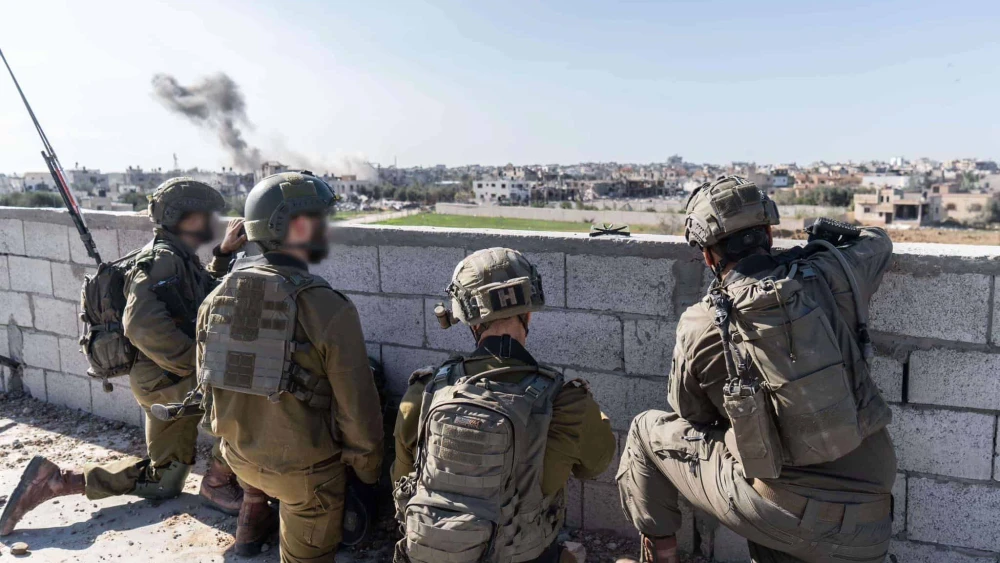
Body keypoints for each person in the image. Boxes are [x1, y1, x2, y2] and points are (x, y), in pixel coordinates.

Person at [615, 176, 897, 563]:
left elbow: (691, 413)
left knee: (647, 430)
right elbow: (878, 242)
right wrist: (820, 242)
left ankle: (662, 558)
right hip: (873, 518)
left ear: (708, 255)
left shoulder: (701, 321)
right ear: (768, 231)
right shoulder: (834, 273)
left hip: (780, 512)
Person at [1, 178, 247, 536]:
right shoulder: (162, 259)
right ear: (182, 217)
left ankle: (55, 482)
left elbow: (195, 299)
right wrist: (198, 367)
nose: (210, 221)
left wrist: (223, 255)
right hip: (168, 383)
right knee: (250, 406)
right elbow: (141, 324)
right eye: (203, 214)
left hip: (159, 380)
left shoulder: (175, 254)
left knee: (164, 482)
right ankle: (218, 483)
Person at [198, 171, 384, 561]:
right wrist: (367, 478)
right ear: (298, 226)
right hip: (304, 478)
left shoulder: (216, 296)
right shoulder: (326, 306)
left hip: (239, 460)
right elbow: (358, 410)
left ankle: (250, 530)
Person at [392, 247, 617, 563]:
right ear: (528, 314)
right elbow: (596, 464)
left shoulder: (425, 391)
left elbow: (403, 480)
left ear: (470, 322)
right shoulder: (567, 404)